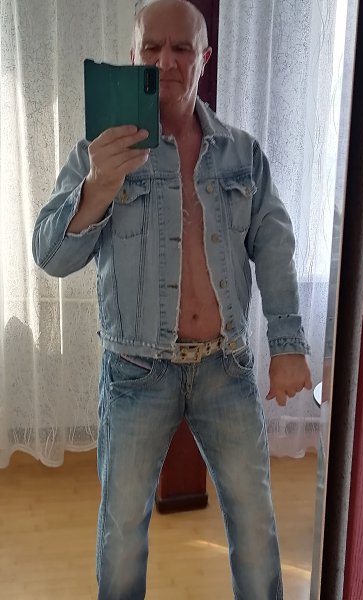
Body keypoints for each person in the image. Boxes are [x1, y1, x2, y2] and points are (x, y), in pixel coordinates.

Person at [32, 1, 312, 598]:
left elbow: (274, 247)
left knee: (255, 525)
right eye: (152, 48)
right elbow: (50, 256)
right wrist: (97, 188)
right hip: (136, 371)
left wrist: (287, 345)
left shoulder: (242, 154)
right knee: (122, 533)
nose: (166, 62)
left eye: (181, 48)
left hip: (225, 367)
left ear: (203, 59)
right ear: (133, 55)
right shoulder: (98, 154)